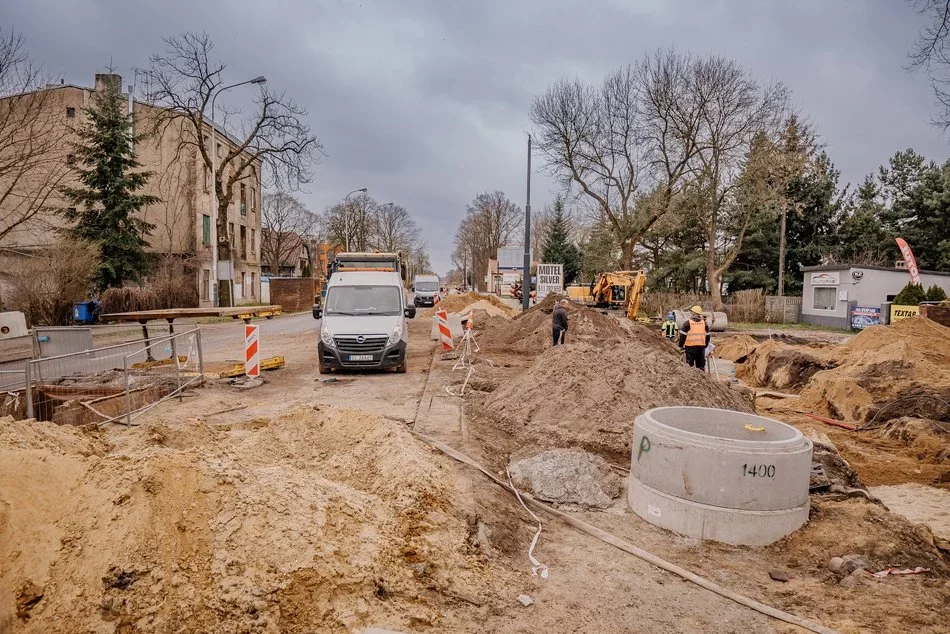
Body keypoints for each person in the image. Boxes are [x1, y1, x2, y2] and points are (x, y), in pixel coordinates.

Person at [678, 305, 710, 370]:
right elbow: (708, 336)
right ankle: (702, 379)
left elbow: (682, 337)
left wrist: (681, 346)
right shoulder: (704, 324)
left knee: (690, 368)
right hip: (701, 349)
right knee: (701, 367)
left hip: (690, 348)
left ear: (693, 313)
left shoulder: (687, 323)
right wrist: (705, 345)